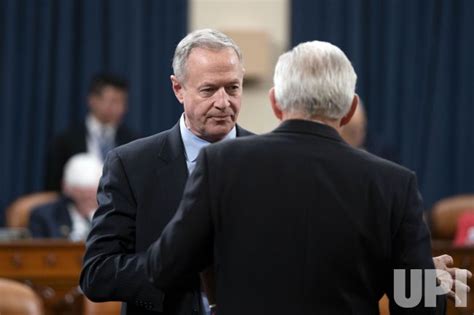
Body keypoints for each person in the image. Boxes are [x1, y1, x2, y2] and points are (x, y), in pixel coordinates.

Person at [145, 40, 444, 314]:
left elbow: (163, 268)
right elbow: (421, 306)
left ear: (275, 103)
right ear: (351, 109)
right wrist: (429, 281)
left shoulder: (220, 164)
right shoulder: (394, 184)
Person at [80, 29, 251, 314]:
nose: (223, 102)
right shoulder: (131, 165)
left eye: (232, 88)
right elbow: (97, 273)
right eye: (209, 90)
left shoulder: (272, 162)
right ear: (178, 89)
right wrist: (174, 264)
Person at [45, 73, 138, 191]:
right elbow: (53, 189)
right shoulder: (65, 141)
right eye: (113, 101)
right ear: (92, 100)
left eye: (122, 101)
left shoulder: (133, 141)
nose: (118, 107)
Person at [29, 153, 102, 240]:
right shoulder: (45, 217)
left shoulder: (113, 215)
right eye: (81, 194)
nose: (87, 197)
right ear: (66, 189)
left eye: (92, 194)